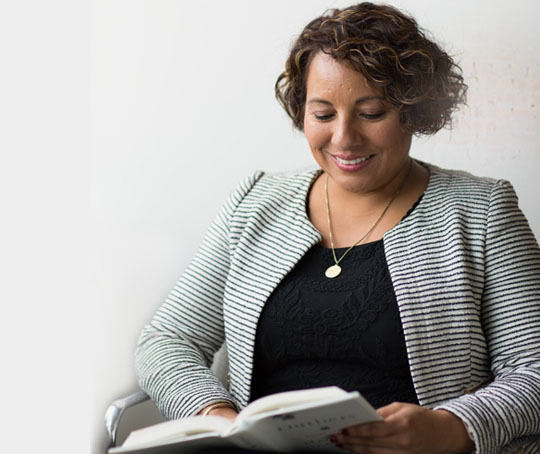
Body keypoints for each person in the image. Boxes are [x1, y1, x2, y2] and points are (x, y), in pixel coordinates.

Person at [135, 3, 540, 453]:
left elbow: (534, 368)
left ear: (412, 110)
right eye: (323, 115)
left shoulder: (481, 210)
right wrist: (219, 419)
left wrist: (451, 427)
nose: (344, 138)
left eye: (370, 113)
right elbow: (167, 340)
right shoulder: (255, 202)